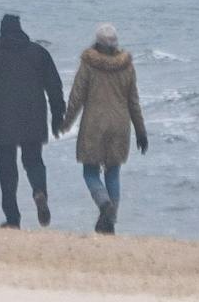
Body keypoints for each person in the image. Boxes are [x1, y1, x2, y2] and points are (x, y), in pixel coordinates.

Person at [0, 13, 65, 229]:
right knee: (33, 160)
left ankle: (13, 219)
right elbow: (55, 87)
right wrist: (57, 116)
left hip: (2, 119)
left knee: (7, 169)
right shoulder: (39, 53)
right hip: (33, 116)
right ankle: (39, 191)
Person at [59, 23, 147, 235]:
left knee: (90, 171)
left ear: (96, 42)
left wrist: (65, 123)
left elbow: (77, 96)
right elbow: (133, 101)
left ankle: (104, 205)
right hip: (120, 125)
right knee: (113, 172)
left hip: (94, 125)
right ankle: (110, 222)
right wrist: (141, 131)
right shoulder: (126, 66)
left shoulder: (89, 64)